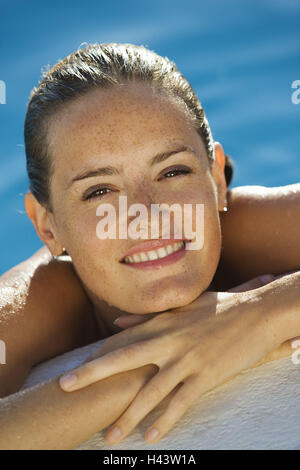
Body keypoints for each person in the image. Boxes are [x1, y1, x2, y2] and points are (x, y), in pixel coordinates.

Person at [0, 43, 299, 449]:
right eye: (99, 190)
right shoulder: (32, 302)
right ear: (48, 226)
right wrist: (153, 362)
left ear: (215, 180)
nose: (148, 215)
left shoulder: (251, 228)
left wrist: (255, 315)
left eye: (173, 171)